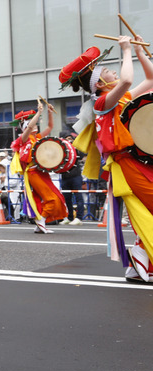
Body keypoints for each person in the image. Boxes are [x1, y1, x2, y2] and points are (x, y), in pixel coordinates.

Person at [60, 39, 153, 282]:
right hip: (124, 165)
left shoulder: (121, 100)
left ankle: (138, 264)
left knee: (146, 211)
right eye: (110, 71)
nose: (116, 71)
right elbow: (126, 80)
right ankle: (142, 258)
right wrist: (126, 51)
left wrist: (141, 53)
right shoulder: (102, 103)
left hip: (137, 163)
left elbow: (151, 80)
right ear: (101, 83)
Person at [10, 104, 68, 233]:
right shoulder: (23, 139)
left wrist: (49, 112)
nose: (35, 125)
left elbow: (50, 127)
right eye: (32, 124)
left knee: (56, 197)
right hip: (32, 172)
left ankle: (39, 223)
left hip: (41, 172)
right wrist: (39, 112)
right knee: (51, 198)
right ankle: (41, 220)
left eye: (35, 123)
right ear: (25, 127)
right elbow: (30, 126)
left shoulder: (37, 138)